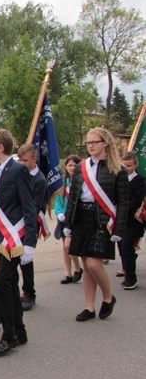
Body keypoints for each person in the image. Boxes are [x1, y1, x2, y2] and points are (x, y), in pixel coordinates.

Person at [0, 130, 38, 355]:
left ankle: (8, 334)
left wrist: (30, 242)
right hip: (3, 239)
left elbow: (29, 207)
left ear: (1, 147)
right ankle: (19, 331)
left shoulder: (19, 170)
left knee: (1, 281)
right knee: (9, 283)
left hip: (18, 238)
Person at [64, 127, 128, 321]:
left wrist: (119, 229)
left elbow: (123, 202)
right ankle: (89, 306)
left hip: (102, 220)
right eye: (88, 143)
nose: (90, 146)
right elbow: (73, 198)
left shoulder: (118, 169)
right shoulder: (82, 167)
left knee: (94, 264)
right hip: (82, 217)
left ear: (105, 143)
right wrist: (68, 227)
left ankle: (108, 296)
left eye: (94, 142)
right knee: (85, 263)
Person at [16, 143, 49, 311]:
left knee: (25, 262)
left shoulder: (39, 180)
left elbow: (33, 208)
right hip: (14, 224)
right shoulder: (19, 174)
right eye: (20, 160)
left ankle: (29, 293)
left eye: (26, 160)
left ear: (35, 159)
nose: (22, 163)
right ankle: (11, 293)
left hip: (29, 225)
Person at [116, 151, 145, 290]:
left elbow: (136, 202)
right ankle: (128, 264)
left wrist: (122, 208)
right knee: (121, 247)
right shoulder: (119, 179)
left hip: (134, 220)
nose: (126, 168)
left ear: (136, 164)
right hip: (120, 220)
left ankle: (131, 278)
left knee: (127, 245)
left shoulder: (140, 181)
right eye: (123, 165)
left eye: (129, 165)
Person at [55, 155, 83, 284]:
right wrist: (59, 213)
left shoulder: (83, 181)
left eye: (75, 165)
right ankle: (68, 273)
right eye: (70, 165)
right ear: (65, 166)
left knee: (71, 246)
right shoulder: (62, 183)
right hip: (64, 218)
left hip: (77, 218)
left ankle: (78, 268)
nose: (72, 167)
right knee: (65, 247)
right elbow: (57, 201)